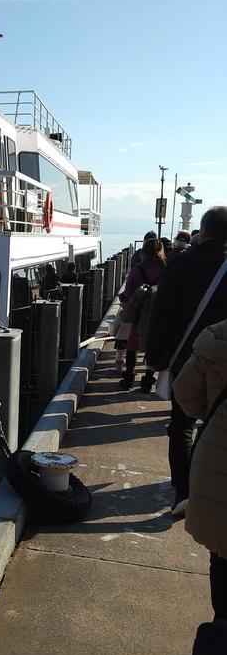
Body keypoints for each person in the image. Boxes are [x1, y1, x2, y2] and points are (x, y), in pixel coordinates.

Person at [146, 206, 227, 517]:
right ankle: (209, 489)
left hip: (187, 358)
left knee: (181, 424)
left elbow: (162, 314)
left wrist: (154, 358)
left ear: (203, 231)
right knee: (215, 424)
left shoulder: (182, 264)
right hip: (225, 364)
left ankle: (183, 491)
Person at [173, 318, 227, 619]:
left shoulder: (218, 336)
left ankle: (221, 635)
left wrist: (214, 416)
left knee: (222, 554)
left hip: (219, 461)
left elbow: (185, 394)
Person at [119, 237, 165, 390]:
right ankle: (147, 382)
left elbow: (127, 293)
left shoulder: (136, 271)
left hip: (137, 315)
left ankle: (128, 379)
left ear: (143, 253)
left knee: (132, 347)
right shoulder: (166, 270)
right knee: (152, 348)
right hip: (157, 316)